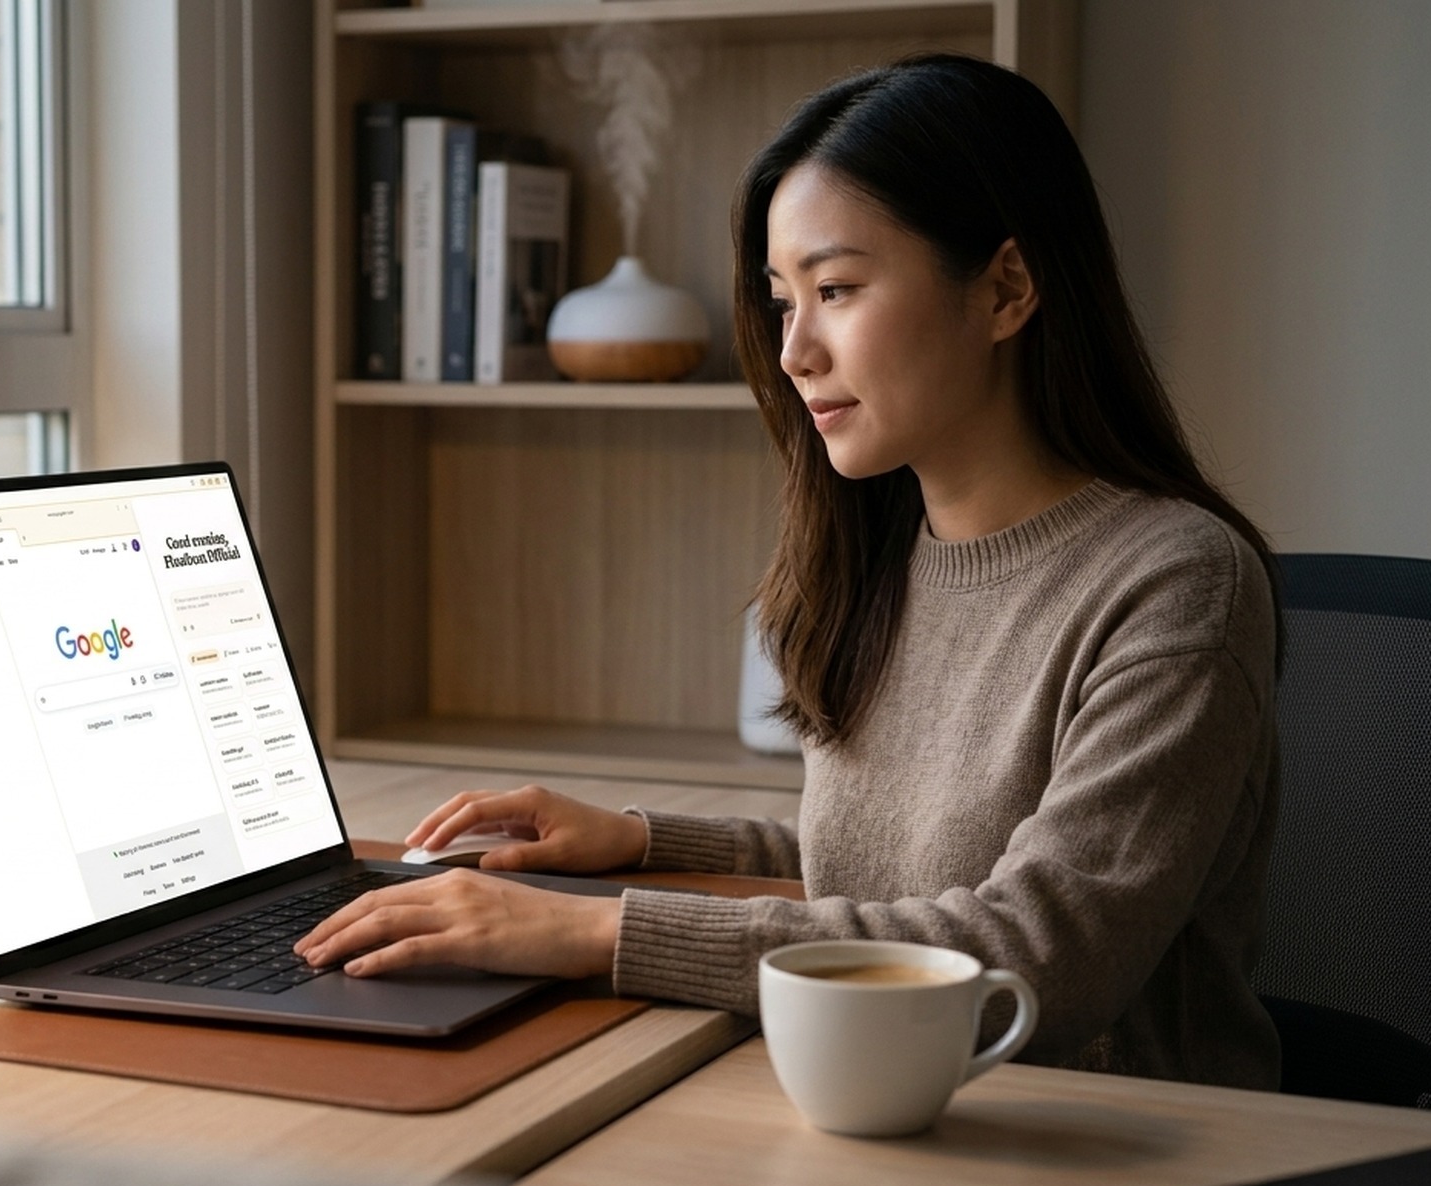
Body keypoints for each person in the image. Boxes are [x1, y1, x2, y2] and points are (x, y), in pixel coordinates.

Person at [297, 53, 1282, 1090]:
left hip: (1102, 1146)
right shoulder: (883, 551)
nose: (792, 351)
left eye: (836, 289)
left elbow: (1037, 954)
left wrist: (594, 931)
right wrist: (638, 838)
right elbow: (898, 868)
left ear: (1004, 288)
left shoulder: (1176, 585)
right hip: (889, 1098)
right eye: (780, 301)